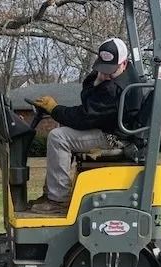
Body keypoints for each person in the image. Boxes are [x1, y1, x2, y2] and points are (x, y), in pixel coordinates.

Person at [30, 37, 140, 214]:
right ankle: (52, 192)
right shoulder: (122, 74)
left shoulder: (114, 89)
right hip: (109, 127)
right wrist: (96, 80)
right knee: (62, 133)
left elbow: (83, 117)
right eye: (102, 69)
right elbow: (89, 101)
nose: (105, 74)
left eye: (110, 71)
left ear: (124, 64)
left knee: (59, 137)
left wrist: (55, 109)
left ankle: (58, 200)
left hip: (114, 137)